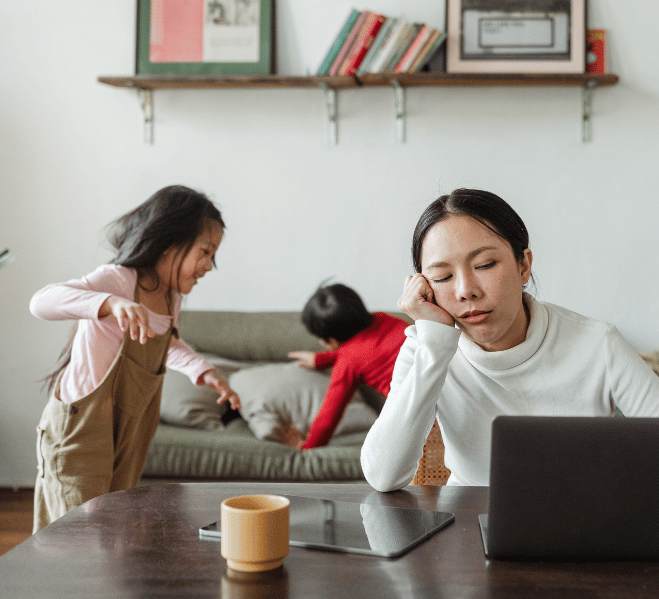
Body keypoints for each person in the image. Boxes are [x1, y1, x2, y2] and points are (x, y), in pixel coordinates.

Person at [360, 188, 659, 493]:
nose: (465, 291)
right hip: (468, 536)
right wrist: (435, 344)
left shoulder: (596, 345)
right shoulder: (428, 348)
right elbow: (383, 476)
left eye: (485, 265)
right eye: (442, 277)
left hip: (581, 532)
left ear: (523, 265)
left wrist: (611, 482)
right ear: (423, 287)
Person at [30, 185, 241, 532]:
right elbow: (41, 302)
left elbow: (165, 343)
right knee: (75, 534)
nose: (208, 266)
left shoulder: (170, 297)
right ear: (169, 243)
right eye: (204, 251)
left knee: (112, 529)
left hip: (128, 433)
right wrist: (110, 303)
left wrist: (204, 371)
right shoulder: (117, 280)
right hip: (79, 431)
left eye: (213, 255)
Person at [287, 283, 409, 450]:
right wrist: (322, 359)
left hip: (417, 413)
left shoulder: (348, 363)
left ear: (331, 341)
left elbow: (328, 417)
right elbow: (370, 348)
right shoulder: (384, 318)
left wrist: (307, 447)